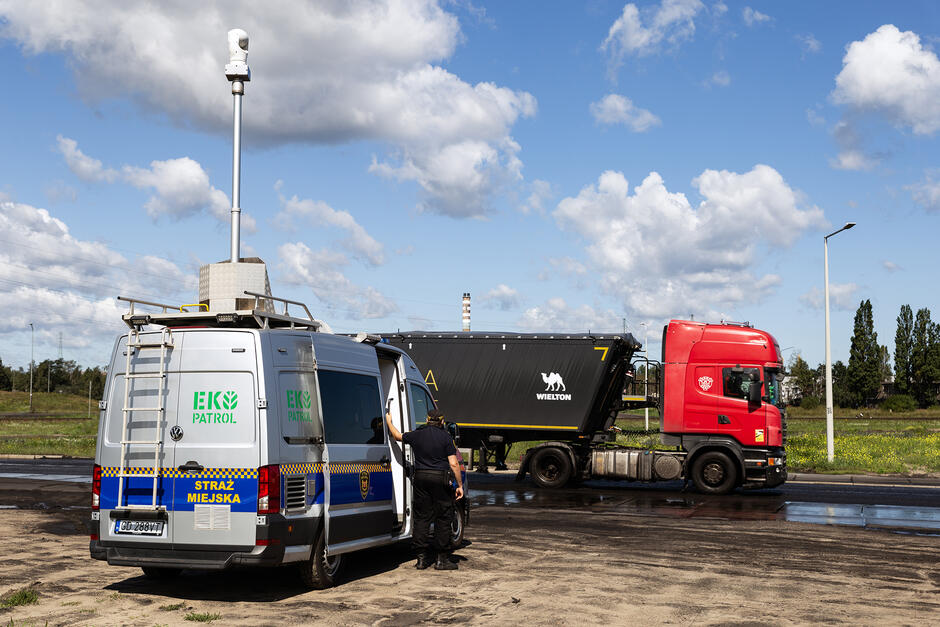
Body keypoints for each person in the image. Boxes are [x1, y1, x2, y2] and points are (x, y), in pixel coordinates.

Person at [385, 407, 464, 571]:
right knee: (443, 517)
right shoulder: (446, 437)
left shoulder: (417, 434)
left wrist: (389, 422)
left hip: (420, 478)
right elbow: (454, 463)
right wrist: (459, 485)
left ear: (427, 420)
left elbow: (397, 436)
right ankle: (441, 560)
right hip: (440, 479)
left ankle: (421, 559)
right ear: (442, 421)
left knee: (422, 518)